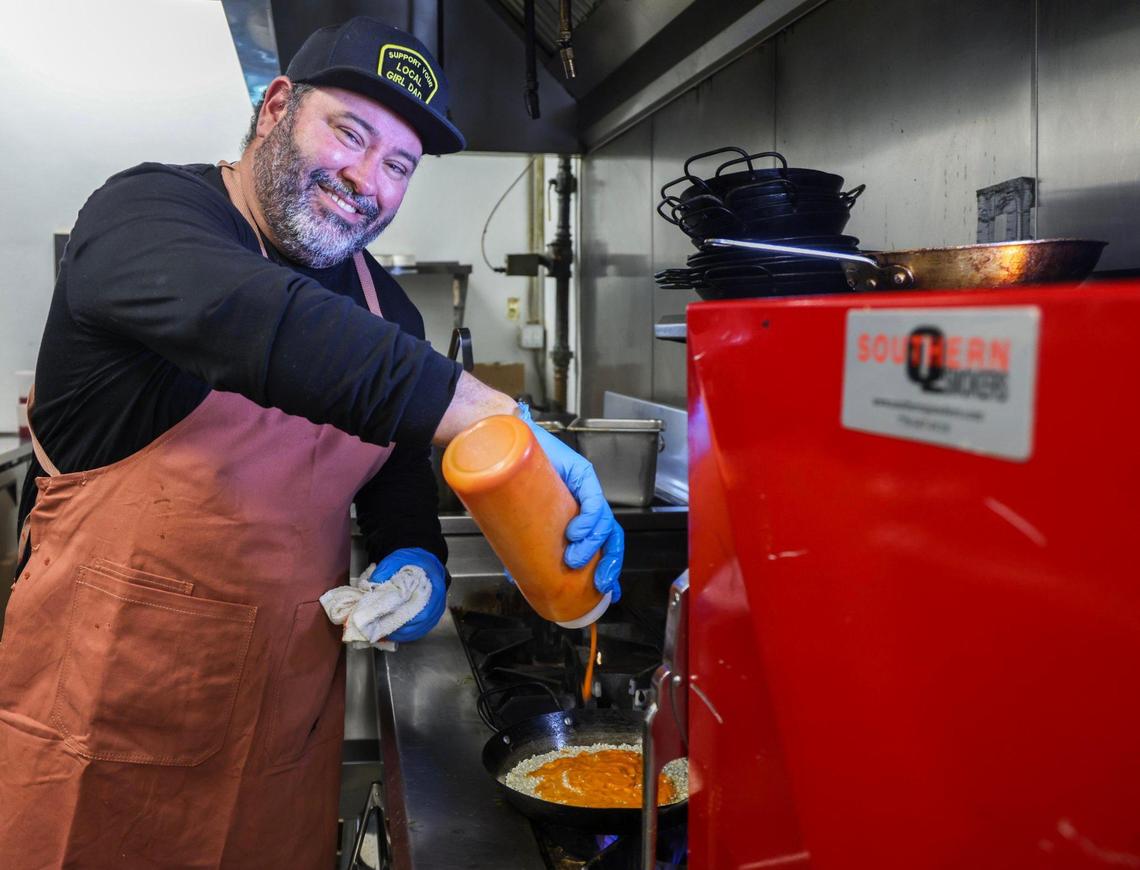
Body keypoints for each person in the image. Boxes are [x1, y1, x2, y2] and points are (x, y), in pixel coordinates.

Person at [0, 17, 623, 869]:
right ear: (277, 107)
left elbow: (403, 504)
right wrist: (495, 416)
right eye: (351, 133)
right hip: (101, 738)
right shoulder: (147, 217)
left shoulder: (390, 320)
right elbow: (258, 320)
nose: (366, 180)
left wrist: (418, 572)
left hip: (277, 744)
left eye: (399, 165)